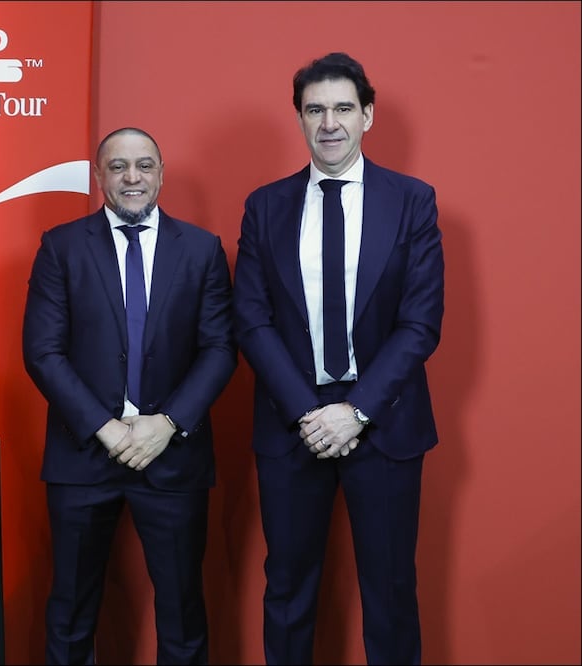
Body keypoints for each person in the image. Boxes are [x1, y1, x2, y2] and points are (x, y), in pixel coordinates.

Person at [232, 52, 444, 665]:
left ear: (368, 116)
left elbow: (420, 323)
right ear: (298, 119)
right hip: (292, 424)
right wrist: (309, 412)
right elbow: (251, 318)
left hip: (384, 423)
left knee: (390, 594)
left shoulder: (412, 201)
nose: (330, 123)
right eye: (315, 109)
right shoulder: (265, 205)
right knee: (289, 591)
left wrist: (356, 411)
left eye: (343, 109)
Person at [23, 127, 237, 664]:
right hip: (83, 454)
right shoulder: (61, 247)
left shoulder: (203, 250)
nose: (132, 177)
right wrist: (107, 427)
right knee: (71, 611)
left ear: (161, 174)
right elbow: (42, 352)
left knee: (183, 610)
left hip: (173, 454)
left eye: (144, 165)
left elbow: (219, 349)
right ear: (100, 178)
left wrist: (167, 423)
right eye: (118, 167)